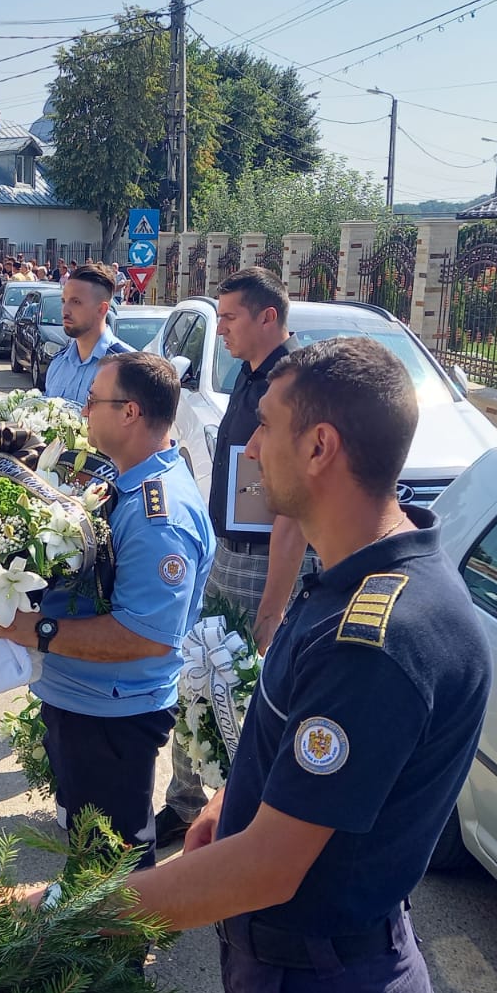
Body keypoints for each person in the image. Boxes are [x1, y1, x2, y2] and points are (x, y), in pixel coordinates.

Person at [112, 336, 492, 993]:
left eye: (266, 424)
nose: (251, 447)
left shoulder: (375, 641)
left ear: (320, 447)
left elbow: (269, 868)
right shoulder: (358, 570)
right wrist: (232, 799)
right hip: (297, 978)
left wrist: (70, 917)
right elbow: (291, 739)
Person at [0, 353, 213, 870]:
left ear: (130, 412)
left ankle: (123, 930)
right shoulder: (126, 478)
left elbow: (145, 637)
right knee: (91, 852)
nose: (85, 409)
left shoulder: (160, 517)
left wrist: (37, 629)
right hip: (86, 700)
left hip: (112, 713)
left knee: (115, 867)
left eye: (94, 400)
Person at [156, 268, 312, 846]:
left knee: (238, 690)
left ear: (268, 317)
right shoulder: (250, 375)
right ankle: (186, 802)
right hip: (229, 550)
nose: (219, 329)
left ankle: (235, 820)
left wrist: (273, 608)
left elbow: (293, 509)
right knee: (198, 671)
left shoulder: (294, 385)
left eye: (228, 318)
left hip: (263, 561)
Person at [42, 262, 131, 409]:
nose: (65, 310)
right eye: (64, 301)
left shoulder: (126, 367)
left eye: (76, 302)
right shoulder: (58, 363)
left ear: (102, 309)